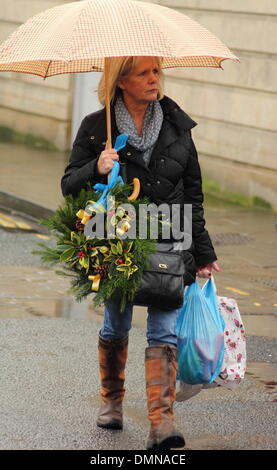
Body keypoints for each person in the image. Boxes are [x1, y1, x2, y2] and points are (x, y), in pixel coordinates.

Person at [61, 56, 220, 450]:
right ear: (122, 81)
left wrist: (203, 251)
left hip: (170, 235)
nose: (154, 79)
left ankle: (161, 423)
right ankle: (112, 402)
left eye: (156, 72)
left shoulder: (177, 126)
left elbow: (193, 196)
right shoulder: (97, 127)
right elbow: (68, 185)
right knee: (116, 324)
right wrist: (97, 167)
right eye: (144, 73)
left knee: (164, 329)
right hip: (119, 239)